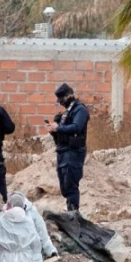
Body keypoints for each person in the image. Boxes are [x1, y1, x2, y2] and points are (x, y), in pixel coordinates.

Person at [9, 190, 59, 262]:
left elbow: (42, 231)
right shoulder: (5, 215)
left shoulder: (31, 211)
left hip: (34, 254)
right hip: (18, 256)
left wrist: (50, 249)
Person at [49, 83, 90, 211]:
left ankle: (73, 214)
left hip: (73, 152)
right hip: (62, 151)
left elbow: (77, 127)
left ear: (69, 95)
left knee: (71, 185)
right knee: (65, 187)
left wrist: (59, 128)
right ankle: (70, 213)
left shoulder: (80, 109)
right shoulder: (67, 112)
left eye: (62, 99)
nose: (61, 102)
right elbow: (63, 131)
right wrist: (54, 130)